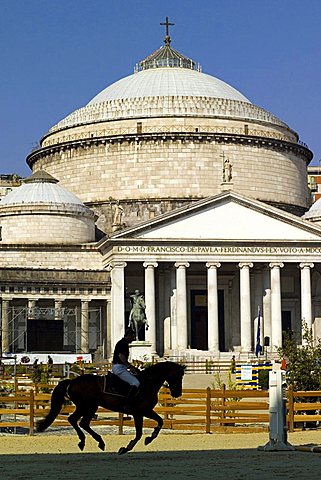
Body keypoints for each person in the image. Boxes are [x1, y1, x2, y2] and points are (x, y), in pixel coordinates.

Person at [112, 328, 140, 411]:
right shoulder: (123, 344)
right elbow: (121, 356)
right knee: (136, 382)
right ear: (128, 336)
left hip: (120, 366)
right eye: (133, 336)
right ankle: (128, 403)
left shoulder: (122, 343)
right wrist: (130, 366)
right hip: (119, 367)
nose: (133, 339)